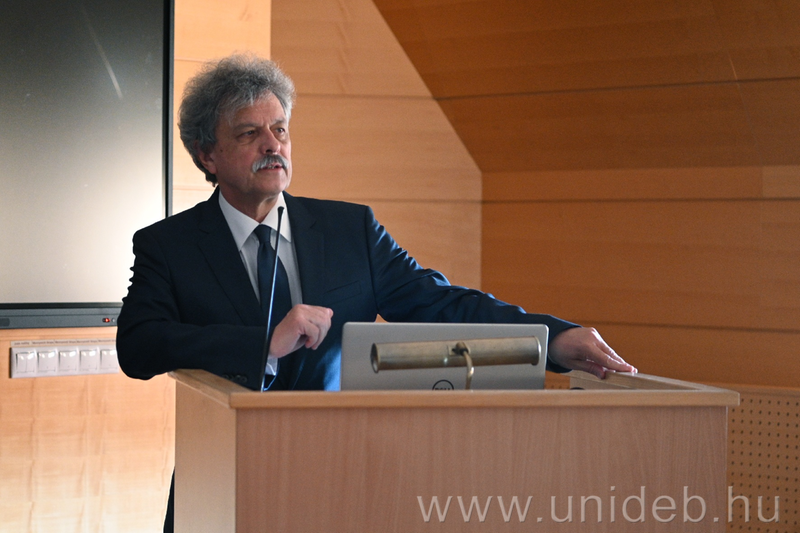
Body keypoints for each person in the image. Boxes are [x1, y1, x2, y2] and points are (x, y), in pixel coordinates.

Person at [116, 54, 636, 531]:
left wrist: (554, 339)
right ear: (207, 154)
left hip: (342, 477)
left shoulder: (351, 229)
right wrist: (263, 344)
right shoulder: (168, 244)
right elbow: (138, 345)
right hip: (221, 479)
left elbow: (438, 301)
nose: (272, 145)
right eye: (250, 133)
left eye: (280, 129)